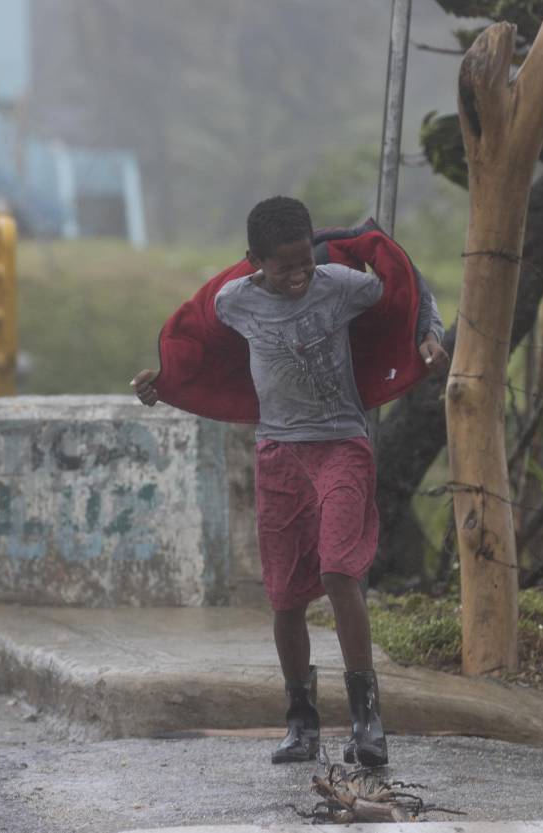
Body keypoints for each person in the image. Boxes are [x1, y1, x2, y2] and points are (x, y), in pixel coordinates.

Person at [132, 196, 448, 766]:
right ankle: (301, 722)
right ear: (254, 260)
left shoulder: (342, 285)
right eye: (285, 266)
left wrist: (428, 331)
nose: (300, 274)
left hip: (342, 445)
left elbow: (408, 289)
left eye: (306, 261)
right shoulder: (235, 302)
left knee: (338, 570)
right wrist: (167, 380)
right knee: (284, 597)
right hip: (278, 455)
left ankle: (366, 718)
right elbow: (204, 351)